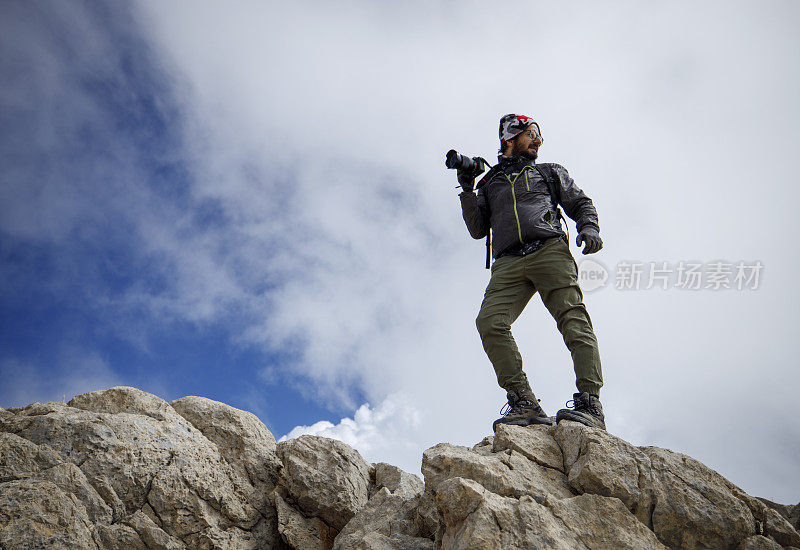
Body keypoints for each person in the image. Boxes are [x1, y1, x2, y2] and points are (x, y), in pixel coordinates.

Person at [457, 113, 606, 431]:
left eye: (539, 134)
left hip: (550, 251)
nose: (538, 139)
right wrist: (468, 189)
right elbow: (478, 229)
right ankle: (524, 402)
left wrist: (589, 227)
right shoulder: (490, 183)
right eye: (531, 133)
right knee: (490, 323)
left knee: (573, 322)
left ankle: (591, 404)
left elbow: (580, 202)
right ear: (509, 138)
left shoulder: (549, 172)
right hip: (508, 263)